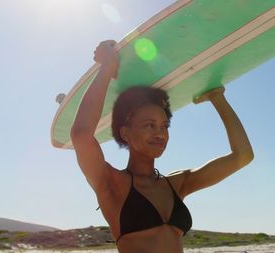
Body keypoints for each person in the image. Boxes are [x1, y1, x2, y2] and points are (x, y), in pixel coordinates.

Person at [70, 40, 254, 253]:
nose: (160, 133)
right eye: (149, 125)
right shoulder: (112, 184)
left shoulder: (177, 184)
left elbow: (243, 155)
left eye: (164, 126)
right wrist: (107, 67)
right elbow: (81, 135)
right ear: (125, 133)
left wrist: (217, 97)